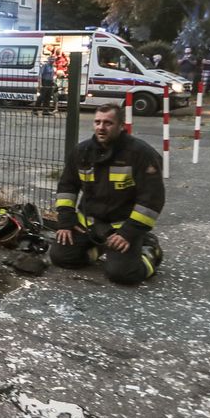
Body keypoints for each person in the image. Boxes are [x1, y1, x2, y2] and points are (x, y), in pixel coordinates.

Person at [50, 103, 165, 285]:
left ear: (121, 126)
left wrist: (129, 233)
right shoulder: (82, 152)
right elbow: (67, 186)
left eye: (108, 123)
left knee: (123, 275)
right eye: (97, 122)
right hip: (89, 224)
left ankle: (150, 250)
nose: (101, 127)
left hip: (123, 228)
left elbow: (151, 199)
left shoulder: (141, 154)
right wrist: (66, 221)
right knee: (61, 257)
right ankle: (100, 249)